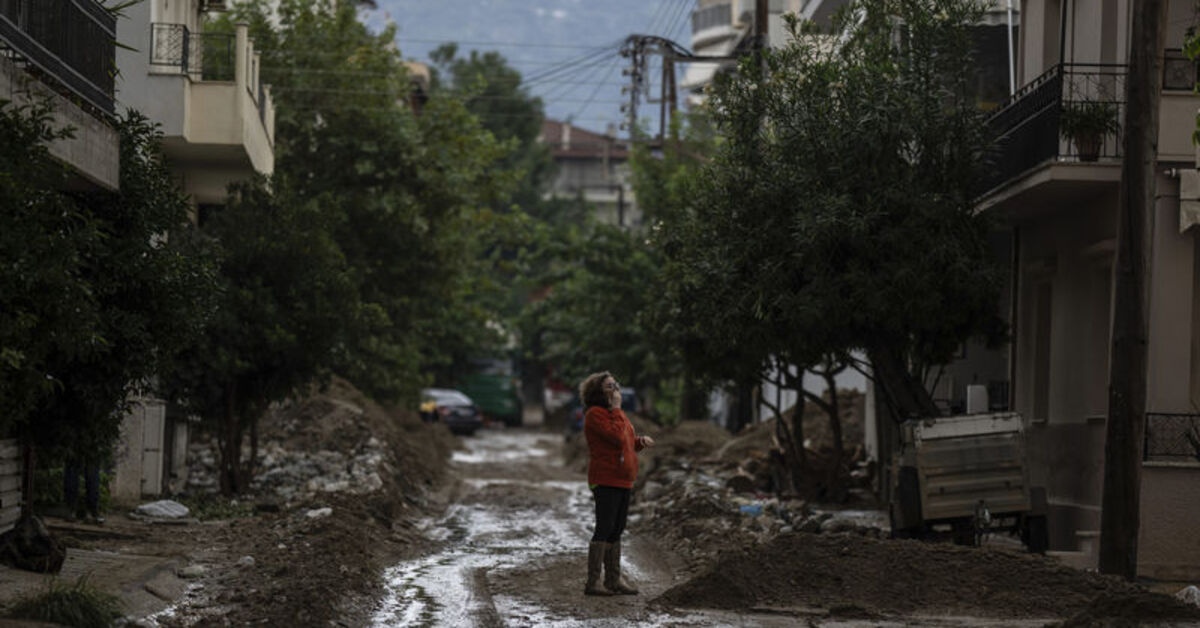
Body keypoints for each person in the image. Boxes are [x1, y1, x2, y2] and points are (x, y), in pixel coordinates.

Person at [579, 371, 655, 596]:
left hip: (623, 478)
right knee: (605, 526)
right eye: (609, 386)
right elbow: (615, 436)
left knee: (618, 528)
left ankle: (613, 579)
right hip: (605, 478)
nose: (615, 390)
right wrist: (617, 409)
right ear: (598, 391)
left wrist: (639, 442)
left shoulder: (614, 414)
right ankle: (593, 582)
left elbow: (625, 441)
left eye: (615, 385)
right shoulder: (595, 414)